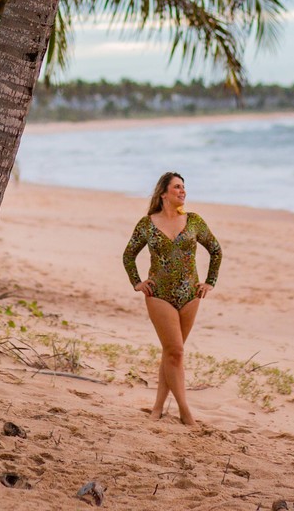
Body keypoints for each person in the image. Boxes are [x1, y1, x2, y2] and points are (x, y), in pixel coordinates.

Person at [122, 171, 222, 425]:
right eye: (177, 187)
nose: (183, 191)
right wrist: (137, 283)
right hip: (159, 295)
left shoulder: (194, 221)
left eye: (184, 187)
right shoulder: (147, 224)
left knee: (171, 353)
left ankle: (157, 408)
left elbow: (216, 250)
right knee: (176, 351)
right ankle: (185, 411)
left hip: (190, 295)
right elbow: (128, 255)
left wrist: (210, 282)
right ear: (163, 193)